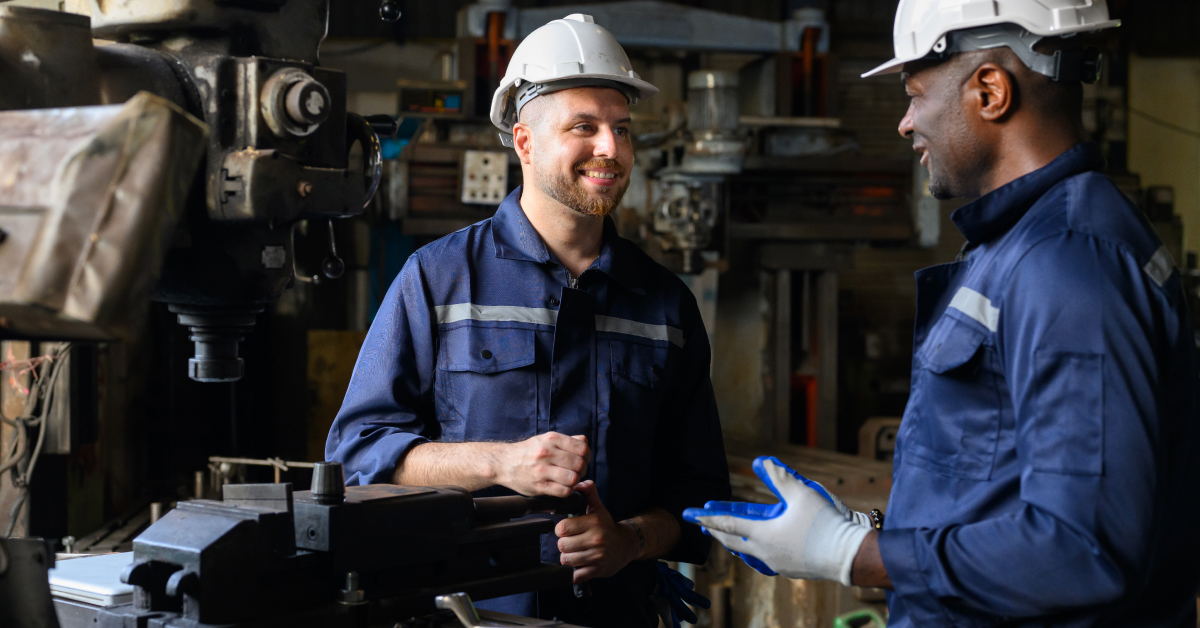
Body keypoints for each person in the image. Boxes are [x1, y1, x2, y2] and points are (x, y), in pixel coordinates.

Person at [685, 0, 1200, 626]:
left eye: (916, 95)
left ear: (990, 91)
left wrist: (852, 554)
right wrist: (876, 530)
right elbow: (999, 482)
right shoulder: (1023, 245)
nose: (905, 124)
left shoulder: (1066, 264)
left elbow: (1082, 550)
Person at [326, 14, 730, 628]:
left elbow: (699, 500)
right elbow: (359, 452)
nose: (611, 148)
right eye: (584, 127)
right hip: (469, 615)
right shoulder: (439, 280)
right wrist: (497, 463)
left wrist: (629, 541)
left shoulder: (666, 305)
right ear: (524, 142)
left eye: (622, 129)